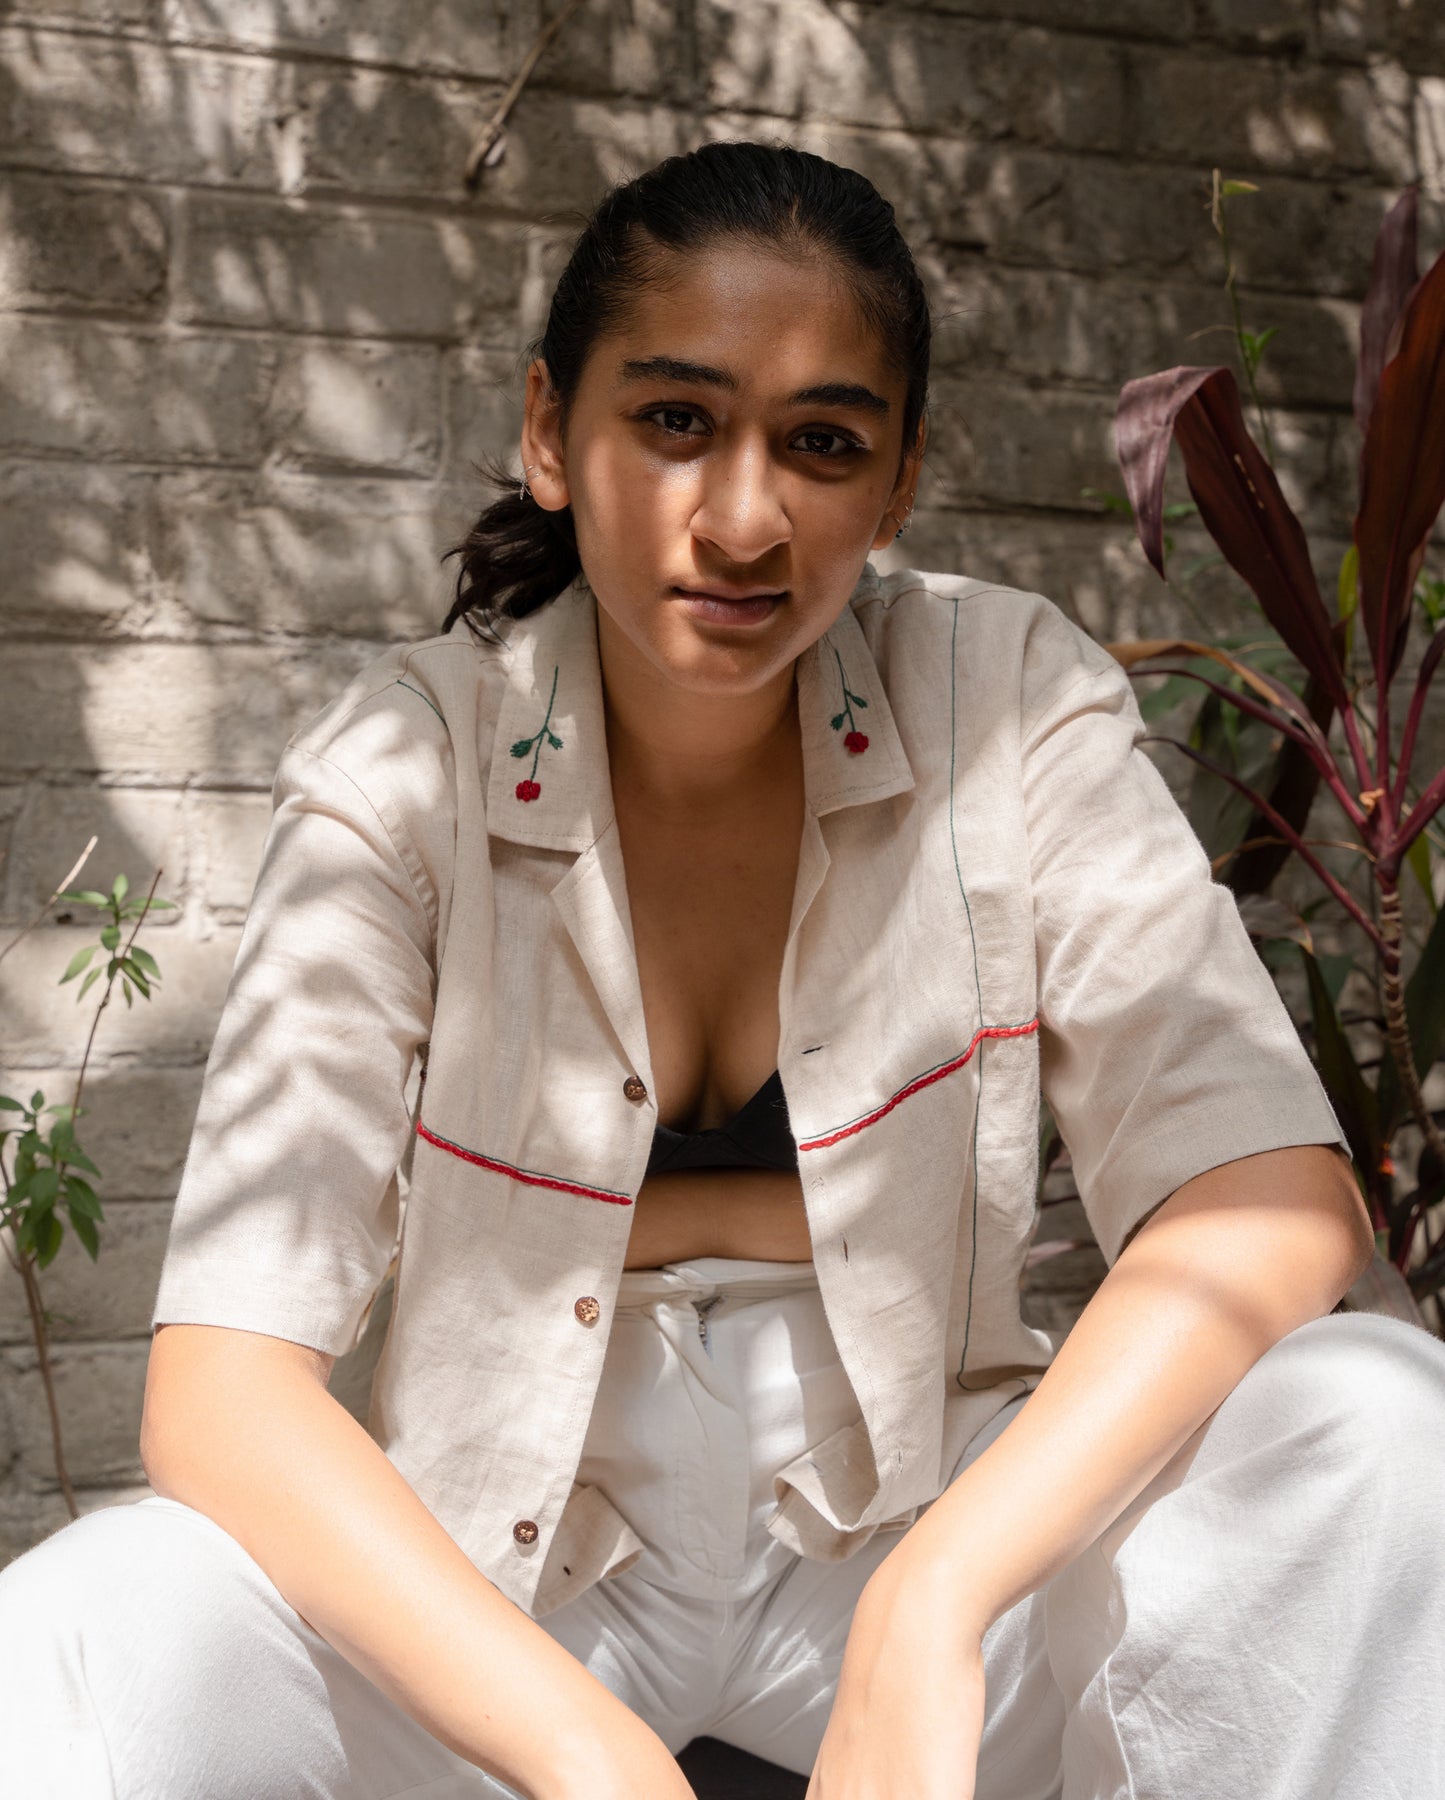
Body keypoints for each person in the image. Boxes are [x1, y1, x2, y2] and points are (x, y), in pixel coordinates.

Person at [1, 139, 1441, 1800]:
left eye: (821, 444)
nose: (743, 515)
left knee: (1376, 1428)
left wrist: (933, 1602)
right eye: (674, 420)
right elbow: (224, 1390)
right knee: (93, 1626)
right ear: (552, 432)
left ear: (897, 484)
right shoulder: (403, 770)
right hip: (513, 1573)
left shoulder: (1007, 704)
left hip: (905, 1518)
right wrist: (590, 1760)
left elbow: (1261, 1195)